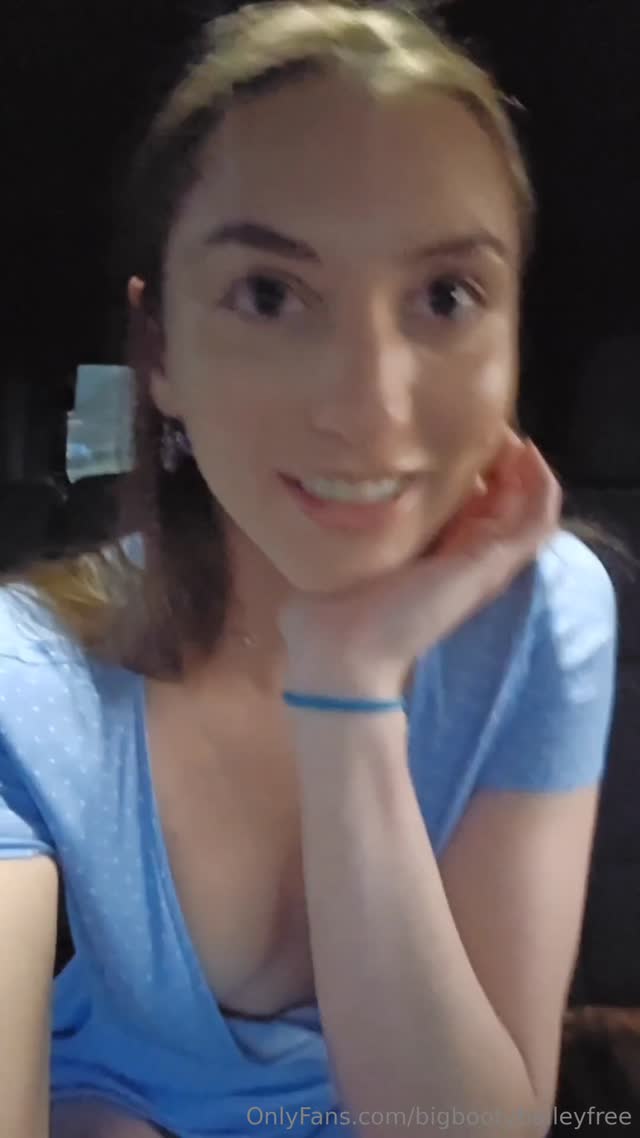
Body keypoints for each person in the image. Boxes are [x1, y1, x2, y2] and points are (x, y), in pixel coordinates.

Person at [0, 2, 618, 1136]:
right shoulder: (30, 674)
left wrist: (346, 682)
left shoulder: (545, 612)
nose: (371, 407)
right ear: (160, 352)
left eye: (445, 296)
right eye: (271, 295)